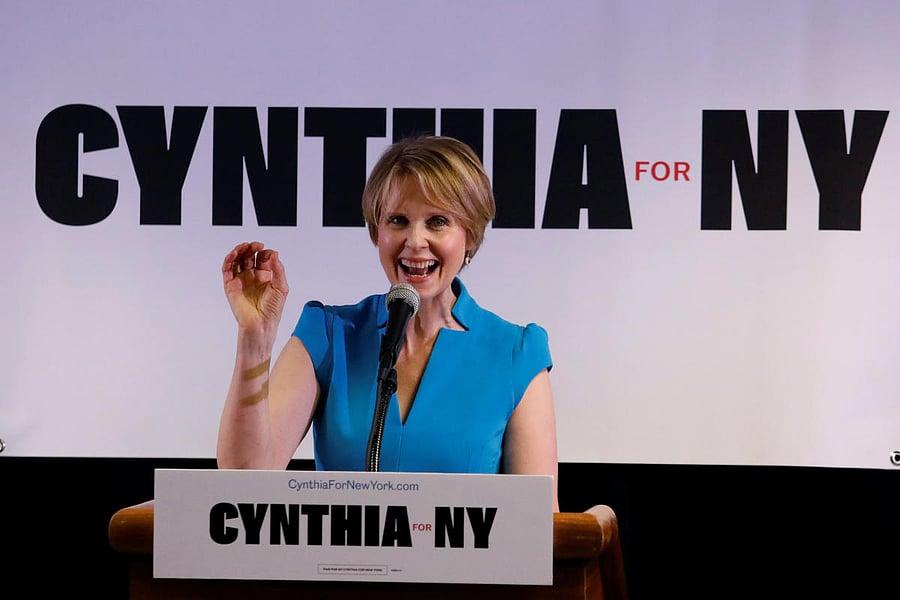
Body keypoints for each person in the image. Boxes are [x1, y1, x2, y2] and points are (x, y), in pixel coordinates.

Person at [217, 135, 559, 511]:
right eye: (398, 220)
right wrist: (255, 336)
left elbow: (539, 523)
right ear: (376, 231)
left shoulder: (516, 355)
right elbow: (243, 479)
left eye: (438, 222)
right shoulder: (328, 335)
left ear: (470, 235)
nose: (415, 240)